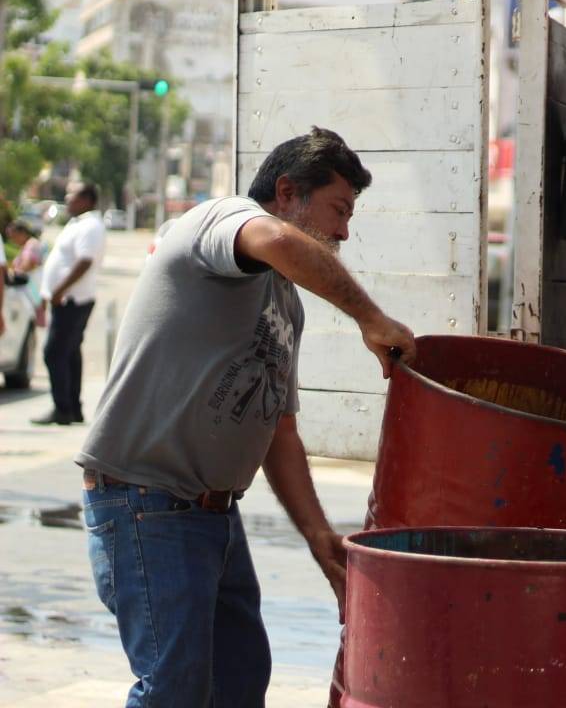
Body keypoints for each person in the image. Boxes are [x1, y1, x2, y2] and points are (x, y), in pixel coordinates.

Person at [76, 127, 418, 707]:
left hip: (213, 517)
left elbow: (277, 430)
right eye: (338, 209)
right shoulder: (219, 220)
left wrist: (318, 536)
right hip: (146, 505)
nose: (343, 231)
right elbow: (274, 239)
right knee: (174, 689)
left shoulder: (284, 303)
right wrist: (370, 317)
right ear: (286, 193)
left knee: (238, 680)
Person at [33, 182, 106, 425]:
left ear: (86, 199)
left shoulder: (91, 226)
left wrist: (59, 290)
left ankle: (62, 408)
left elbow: (84, 262)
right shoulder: (79, 224)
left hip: (73, 300)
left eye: (72, 196)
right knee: (70, 353)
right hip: (66, 299)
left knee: (53, 352)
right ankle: (73, 408)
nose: (67, 200)